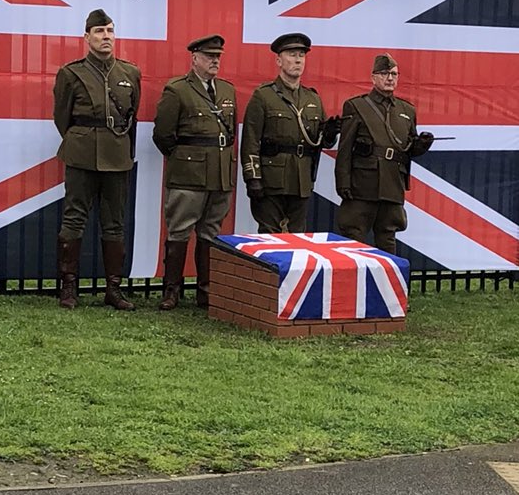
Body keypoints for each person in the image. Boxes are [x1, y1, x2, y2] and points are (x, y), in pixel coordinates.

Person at [53, 9, 141, 310]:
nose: (106, 37)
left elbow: (132, 116)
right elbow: (62, 117)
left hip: (117, 154)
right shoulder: (71, 73)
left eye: (110, 31)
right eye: (100, 31)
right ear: (87, 37)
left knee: (114, 223)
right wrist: (83, 139)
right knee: (74, 219)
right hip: (82, 153)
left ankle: (113, 289)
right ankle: (68, 287)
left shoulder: (129, 73)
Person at [152, 34, 237, 310]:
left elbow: (230, 133)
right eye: (210, 56)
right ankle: (171, 291)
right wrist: (185, 159)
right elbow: (163, 134)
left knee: (210, 232)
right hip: (188, 175)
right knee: (179, 231)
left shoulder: (226, 90)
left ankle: (206, 291)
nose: (215, 61)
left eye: (218, 57)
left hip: (219, 173)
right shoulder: (177, 90)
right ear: (195, 58)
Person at [335, 52, 433, 254]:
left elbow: (407, 149)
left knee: (388, 238)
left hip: (392, 183)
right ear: (373, 77)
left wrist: (422, 145)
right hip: (363, 184)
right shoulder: (357, 106)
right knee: (354, 237)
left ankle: (388, 276)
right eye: (384, 73)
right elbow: (344, 149)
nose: (390, 78)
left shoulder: (407, 110)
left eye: (394, 74)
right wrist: (343, 182)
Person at [241, 32, 340, 233]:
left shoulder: (312, 98)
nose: (298, 60)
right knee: (270, 237)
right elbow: (250, 140)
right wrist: (253, 177)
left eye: (301, 55)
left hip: (301, 179)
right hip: (271, 179)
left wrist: (330, 134)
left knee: (297, 237)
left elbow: (319, 142)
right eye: (292, 55)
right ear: (279, 60)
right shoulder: (264, 96)